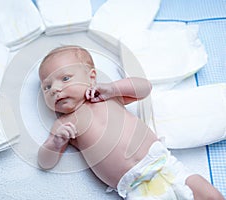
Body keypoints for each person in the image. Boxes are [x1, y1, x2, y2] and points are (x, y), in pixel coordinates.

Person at [37, 45, 224, 199]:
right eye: (47, 86)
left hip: (163, 163)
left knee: (208, 194)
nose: (55, 89)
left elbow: (145, 88)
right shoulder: (64, 125)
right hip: (136, 189)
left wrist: (114, 88)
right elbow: (45, 162)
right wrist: (55, 143)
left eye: (65, 78)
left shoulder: (106, 95)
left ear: (91, 77)